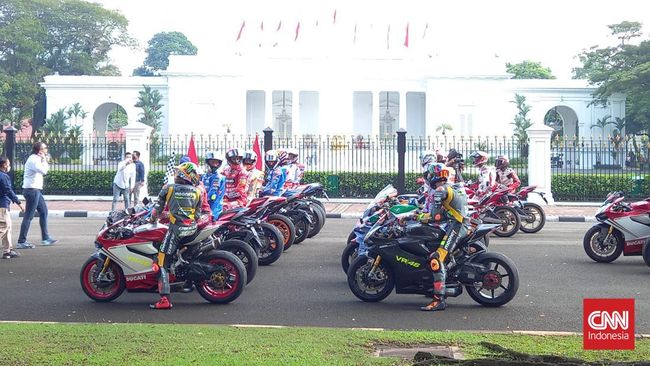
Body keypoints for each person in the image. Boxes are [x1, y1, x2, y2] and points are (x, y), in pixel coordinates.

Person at [149, 162, 204, 310]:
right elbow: (197, 216)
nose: (175, 174)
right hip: (192, 229)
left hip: (176, 231)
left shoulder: (169, 188)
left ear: (183, 174)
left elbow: (156, 210)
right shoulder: (198, 191)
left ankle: (164, 299)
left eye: (178, 172)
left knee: (161, 263)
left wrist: (152, 219)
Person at [417, 163, 468, 311]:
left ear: (435, 175)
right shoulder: (452, 188)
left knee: (435, 258)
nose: (428, 177)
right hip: (459, 224)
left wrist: (417, 217)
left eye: (429, 174)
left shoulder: (440, 190)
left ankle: (439, 300)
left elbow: (436, 216)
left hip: (457, 227)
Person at [17, 142, 57, 248]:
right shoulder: (34, 160)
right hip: (31, 191)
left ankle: (45, 238)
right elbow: (44, 171)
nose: (46, 149)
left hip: (36, 190)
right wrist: (44, 160)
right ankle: (21, 241)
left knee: (44, 212)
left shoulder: (36, 159)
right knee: (29, 216)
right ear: (40, 150)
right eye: (45, 148)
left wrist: (43, 159)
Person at [0, 157, 24, 259]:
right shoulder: (3, 176)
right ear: (4, 165)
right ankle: (7, 250)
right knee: (3, 227)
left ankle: (7, 250)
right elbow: (8, 190)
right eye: (8, 163)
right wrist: (19, 203)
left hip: (3, 204)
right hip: (2, 205)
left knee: (7, 227)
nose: (9, 165)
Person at [202, 151, 226, 219]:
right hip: (203, 206)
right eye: (213, 162)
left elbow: (213, 195)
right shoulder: (204, 176)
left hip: (213, 209)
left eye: (217, 163)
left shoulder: (218, 177)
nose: (215, 165)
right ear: (208, 162)